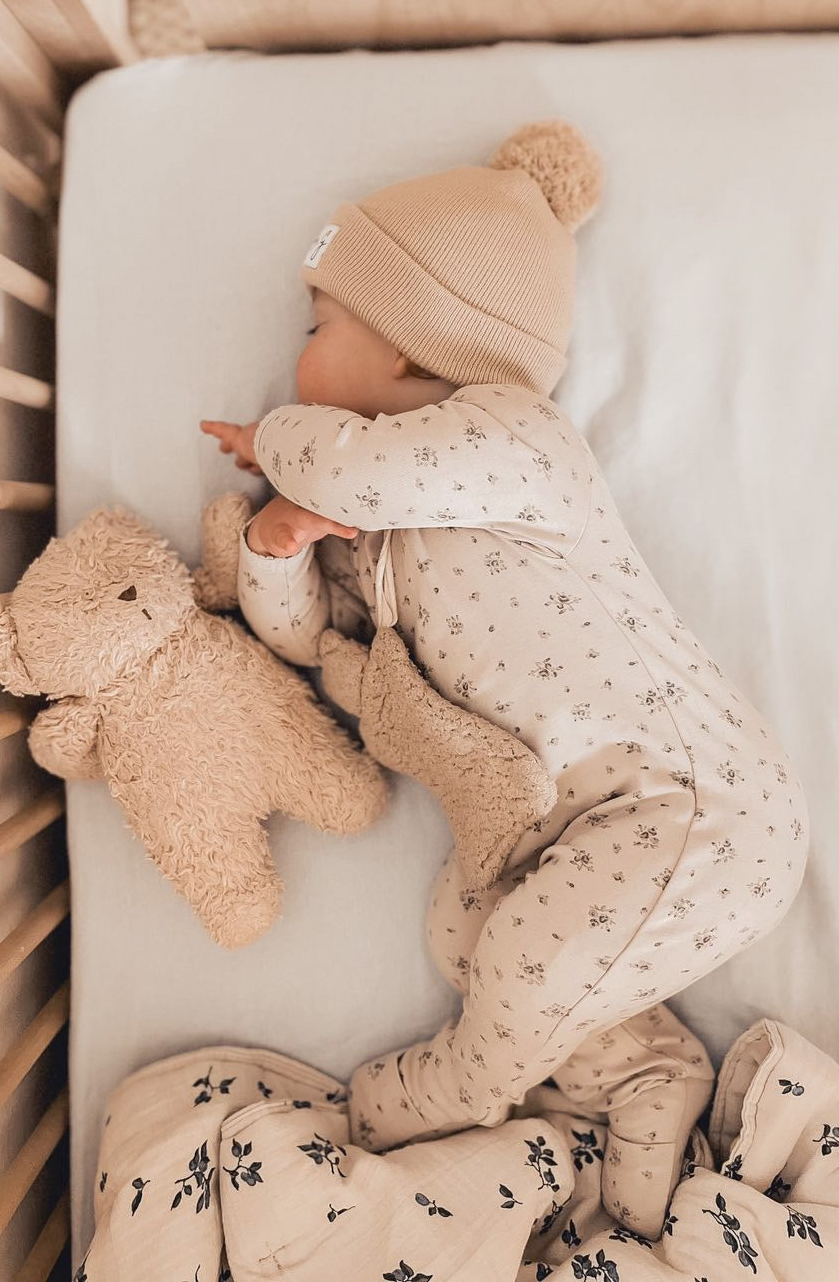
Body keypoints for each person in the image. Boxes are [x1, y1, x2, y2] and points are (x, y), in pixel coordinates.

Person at [201, 122, 808, 1238]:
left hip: (695, 809)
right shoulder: (370, 535)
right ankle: (642, 1075)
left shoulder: (513, 438)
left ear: (408, 348)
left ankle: (452, 1089)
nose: (295, 358)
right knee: (465, 936)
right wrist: (278, 545)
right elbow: (308, 645)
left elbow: (363, 465)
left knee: (524, 968)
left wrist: (285, 443)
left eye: (316, 326)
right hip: (551, 829)